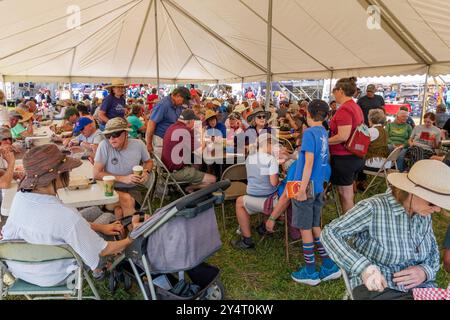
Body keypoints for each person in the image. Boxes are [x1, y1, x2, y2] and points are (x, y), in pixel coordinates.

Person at [1, 144, 136, 287]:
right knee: (108, 218)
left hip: (22, 267)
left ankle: (97, 239)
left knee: (94, 211)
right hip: (57, 275)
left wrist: (101, 228)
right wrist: (131, 238)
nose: (69, 171)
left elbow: (58, 224)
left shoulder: (20, 197)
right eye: (66, 170)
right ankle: (99, 270)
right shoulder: (67, 216)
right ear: (57, 174)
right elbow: (104, 249)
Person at [321, 160, 448, 300]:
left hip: (420, 288)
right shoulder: (373, 208)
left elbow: (433, 253)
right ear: (411, 192)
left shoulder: (423, 213)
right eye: (433, 202)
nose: (437, 209)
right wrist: (364, 268)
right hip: (379, 286)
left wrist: (425, 271)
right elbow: (330, 233)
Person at [286, 100, 340, 285]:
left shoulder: (309, 133)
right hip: (317, 185)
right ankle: (328, 264)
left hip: (305, 187)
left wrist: (301, 189)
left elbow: (308, 162)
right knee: (315, 224)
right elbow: (323, 160)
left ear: (308, 114)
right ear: (326, 116)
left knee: (305, 227)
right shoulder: (324, 132)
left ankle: (310, 272)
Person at [94, 118, 153, 219]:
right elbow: (96, 174)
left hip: (134, 188)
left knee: (119, 211)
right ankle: (133, 232)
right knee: (126, 200)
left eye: (115, 134)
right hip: (110, 188)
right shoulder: (104, 145)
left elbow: (148, 162)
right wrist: (123, 178)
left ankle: (123, 231)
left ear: (126, 133)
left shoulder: (138, 144)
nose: (111, 138)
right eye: (108, 135)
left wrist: (146, 171)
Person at [231, 134, 279, 250]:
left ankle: (250, 235)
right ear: (266, 145)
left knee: (240, 202)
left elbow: (258, 176)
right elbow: (273, 182)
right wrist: (278, 177)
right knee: (240, 202)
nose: (274, 148)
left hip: (254, 195)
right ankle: (248, 240)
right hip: (268, 199)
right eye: (272, 145)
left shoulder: (249, 158)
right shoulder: (271, 159)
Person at [328, 78, 365, 213]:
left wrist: (324, 141)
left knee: (345, 196)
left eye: (335, 91)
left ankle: (348, 228)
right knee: (348, 194)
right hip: (354, 156)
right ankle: (349, 222)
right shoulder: (355, 106)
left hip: (344, 158)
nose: (334, 95)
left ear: (341, 91)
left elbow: (343, 136)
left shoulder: (344, 109)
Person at [161, 109, 216, 193]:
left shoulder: (172, 127)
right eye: (194, 121)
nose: (194, 123)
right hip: (175, 172)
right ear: (190, 121)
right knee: (213, 179)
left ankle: (194, 179)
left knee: (198, 162)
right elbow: (200, 150)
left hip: (166, 169)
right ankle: (190, 187)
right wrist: (202, 133)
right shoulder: (186, 130)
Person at [146, 87, 191, 158]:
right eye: (183, 101)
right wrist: (148, 144)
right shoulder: (163, 105)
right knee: (162, 163)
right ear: (177, 95)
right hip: (160, 140)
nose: (183, 103)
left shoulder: (178, 105)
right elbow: (151, 123)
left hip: (170, 139)